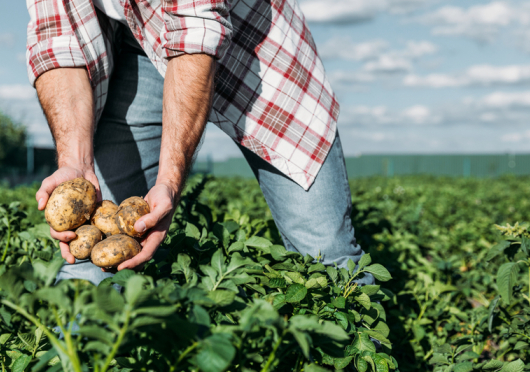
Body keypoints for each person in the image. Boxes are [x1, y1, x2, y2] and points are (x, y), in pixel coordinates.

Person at [26, 0, 374, 287]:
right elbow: (57, 40)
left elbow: (195, 30)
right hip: (135, 44)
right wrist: (76, 162)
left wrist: (168, 182)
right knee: (91, 264)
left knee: (327, 257)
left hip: (254, 44)